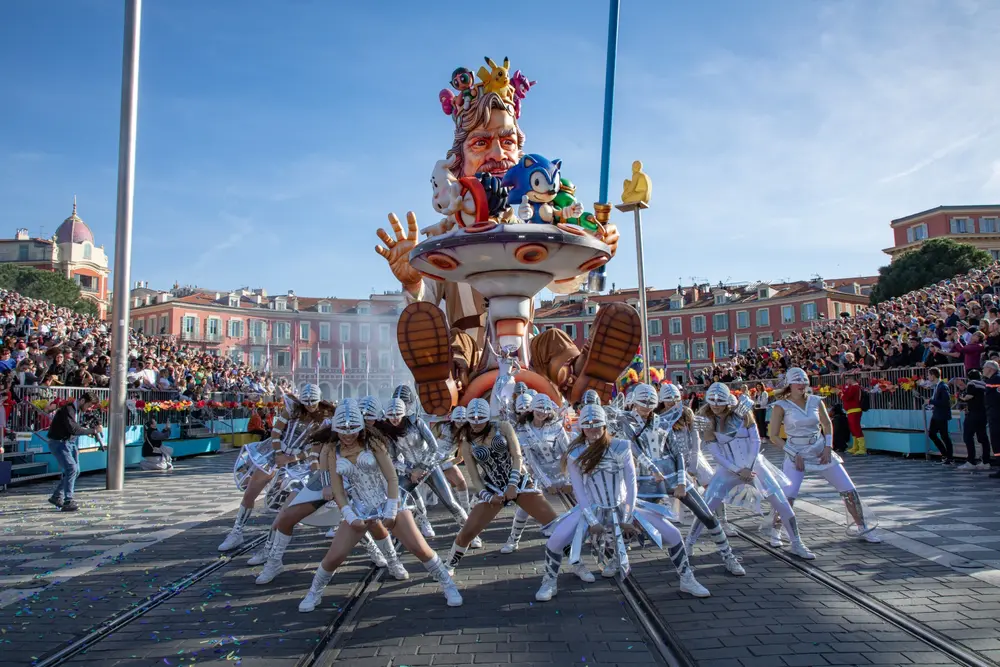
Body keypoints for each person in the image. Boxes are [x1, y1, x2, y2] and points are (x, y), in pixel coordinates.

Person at [296, 401, 462, 611]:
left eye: (352, 430)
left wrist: (391, 509)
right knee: (334, 556)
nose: (348, 435)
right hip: (359, 507)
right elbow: (337, 490)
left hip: (389, 500)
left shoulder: (373, 442)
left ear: (360, 427)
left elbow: (392, 479)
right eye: (343, 430)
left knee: (418, 548)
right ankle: (314, 593)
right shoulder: (331, 449)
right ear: (336, 429)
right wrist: (349, 515)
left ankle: (448, 585)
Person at [535, 403, 710, 602]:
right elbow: (580, 491)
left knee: (673, 534)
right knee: (556, 539)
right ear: (581, 427)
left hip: (625, 505)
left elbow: (631, 483)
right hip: (592, 508)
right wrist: (592, 521)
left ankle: (687, 578)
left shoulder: (621, 446)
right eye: (588, 424)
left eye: (597, 424)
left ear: (605, 425)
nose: (593, 429)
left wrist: (628, 516)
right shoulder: (575, 454)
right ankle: (549, 580)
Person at [688, 383, 815, 560]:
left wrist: (749, 466)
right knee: (707, 507)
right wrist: (737, 470)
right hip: (728, 469)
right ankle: (689, 543)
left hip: (755, 466)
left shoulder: (743, 414)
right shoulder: (706, 420)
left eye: (720, 401)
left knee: (782, 503)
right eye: (712, 401)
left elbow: (755, 441)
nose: (715, 405)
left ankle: (797, 542)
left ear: (728, 401)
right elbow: (715, 453)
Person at [446, 398, 559, 574]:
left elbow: (517, 456)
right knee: (467, 532)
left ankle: (577, 564)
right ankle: (448, 567)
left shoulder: (503, 426)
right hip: (493, 488)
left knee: (555, 525)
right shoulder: (467, 442)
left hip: (519, 481)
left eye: (480, 419)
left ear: (488, 417)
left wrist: (513, 485)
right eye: (472, 419)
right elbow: (475, 479)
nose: (476, 423)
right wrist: (489, 496)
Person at [768, 368, 880, 543]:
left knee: (848, 489)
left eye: (805, 381)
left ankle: (862, 527)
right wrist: (792, 453)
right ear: (789, 384)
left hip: (820, 449)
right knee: (788, 495)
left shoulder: (815, 401)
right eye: (798, 382)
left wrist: (828, 447)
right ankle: (776, 530)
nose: (802, 385)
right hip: (795, 452)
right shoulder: (781, 405)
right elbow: (773, 435)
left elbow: (827, 424)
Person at [219, 384, 333, 553]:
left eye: (312, 402)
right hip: (274, 452)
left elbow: (315, 447)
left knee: (285, 501)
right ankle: (237, 531)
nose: (309, 405)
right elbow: (276, 432)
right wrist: (279, 453)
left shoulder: (324, 420)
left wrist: (292, 457)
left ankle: (271, 547)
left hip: (299, 461)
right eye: (306, 402)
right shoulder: (292, 410)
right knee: (251, 491)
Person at [503, 393, 573, 555]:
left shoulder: (556, 426)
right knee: (526, 505)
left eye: (546, 410)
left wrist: (569, 479)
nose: (542, 413)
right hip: (536, 475)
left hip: (561, 472)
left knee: (583, 503)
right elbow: (531, 462)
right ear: (532, 409)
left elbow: (568, 452)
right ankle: (513, 539)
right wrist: (547, 483)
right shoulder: (520, 430)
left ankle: (588, 536)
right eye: (538, 409)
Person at [45, 391, 103, 512]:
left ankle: (57, 496)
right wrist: (93, 431)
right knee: (71, 468)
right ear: (82, 401)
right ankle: (68, 499)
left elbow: (77, 428)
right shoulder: (68, 409)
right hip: (59, 442)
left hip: (69, 443)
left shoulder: (78, 411)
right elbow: (74, 429)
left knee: (75, 471)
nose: (89, 408)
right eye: (89, 405)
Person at [958, 369, 991, 471]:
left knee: (968, 436)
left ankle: (971, 461)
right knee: (983, 437)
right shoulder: (984, 385)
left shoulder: (972, 384)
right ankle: (986, 461)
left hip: (973, 414)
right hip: (983, 414)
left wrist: (961, 396)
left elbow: (968, 396)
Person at [926, 367, 954, 464]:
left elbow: (945, 402)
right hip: (936, 414)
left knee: (944, 436)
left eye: (929, 375)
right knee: (932, 433)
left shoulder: (943, 386)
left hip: (941, 415)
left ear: (933, 376)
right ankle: (944, 454)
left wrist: (931, 401)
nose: (928, 377)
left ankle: (949, 456)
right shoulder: (937, 386)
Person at [841, 372, 866, 456]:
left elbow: (846, 397)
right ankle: (855, 447)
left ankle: (862, 448)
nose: (846, 381)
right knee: (853, 429)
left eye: (847, 379)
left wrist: (840, 393)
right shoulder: (852, 386)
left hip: (855, 410)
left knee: (856, 428)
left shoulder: (855, 387)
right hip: (851, 410)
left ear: (851, 379)